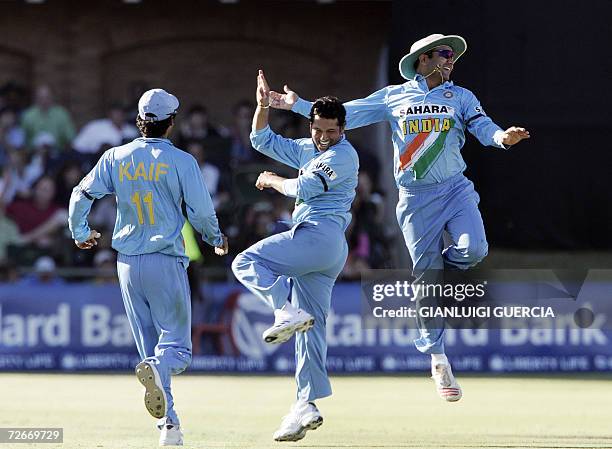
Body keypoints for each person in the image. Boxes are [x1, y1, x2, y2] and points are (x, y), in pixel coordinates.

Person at [269, 34, 530, 402]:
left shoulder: (462, 97)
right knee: (425, 277)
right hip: (414, 198)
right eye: (444, 53)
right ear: (423, 59)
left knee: (474, 251)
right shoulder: (394, 96)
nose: (451, 58)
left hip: (455, 189)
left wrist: (503, 137)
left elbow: (483, 127)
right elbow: (347, 114)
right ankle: (438, 358)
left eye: (453, 54)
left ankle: (439, 271)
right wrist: (298, 106)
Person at [68, 88, 228, 447]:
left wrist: (79, 231)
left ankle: (168, 427)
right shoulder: (182, 161)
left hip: (125, 263)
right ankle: (166, 412)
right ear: (172, 123)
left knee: (151, 353)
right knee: (177, 352)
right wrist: (216, 237)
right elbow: (201, 211)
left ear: (140, 121)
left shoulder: (115, 156)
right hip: (165, 260)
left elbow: (81, 192)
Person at [231, 70, 359, 442]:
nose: (323, 138)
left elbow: (301, 186)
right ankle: (306, 404)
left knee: (245, 262)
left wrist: (270, 180)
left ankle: (282, 308)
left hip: (319, 237)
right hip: (324, 248)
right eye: (318, 130)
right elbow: (260, 139)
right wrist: (261, 107)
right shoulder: (309, 147)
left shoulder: (344, 156)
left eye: (331, 131)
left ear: (343, 129)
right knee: (311, 330)